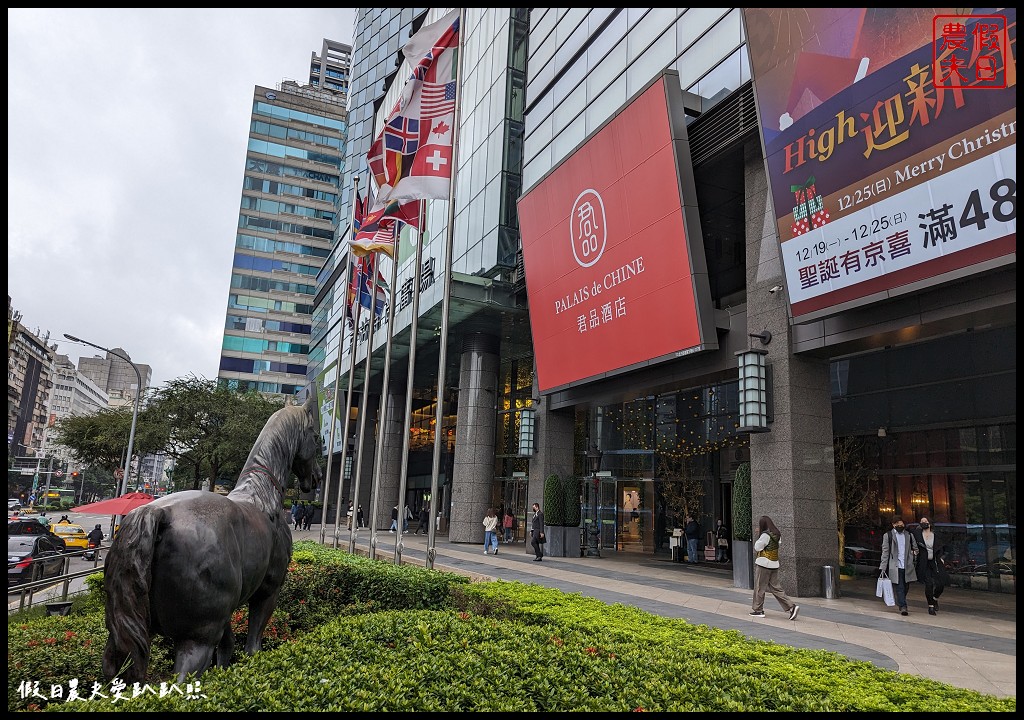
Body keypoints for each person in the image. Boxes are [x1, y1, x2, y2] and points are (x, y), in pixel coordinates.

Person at [750, 515, 799, 620]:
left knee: (759, 587)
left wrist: (758, 536)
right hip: (774, 563)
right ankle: (791, 606)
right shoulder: (777, 534)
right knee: (776, 588)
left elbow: (757, 547)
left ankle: (758, 610)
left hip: (763, 564)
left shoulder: (765, 535)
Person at [879, 515, 918, 616]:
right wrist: (883, 567)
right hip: (895, 566)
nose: (900, 526)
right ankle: (903, 606)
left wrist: (913, 553)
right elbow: (885, 552)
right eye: (898, 524)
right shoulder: (888, 536)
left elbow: (915, 548)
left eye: (902, 524)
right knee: (899, 586)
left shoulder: (909, 535)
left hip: (907, 565)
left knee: (906, 586)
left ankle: (900, 600)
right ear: (893, 525)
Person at [912, 516, 945, 616]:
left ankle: (935, 598)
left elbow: (943, 548)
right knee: (929, 584)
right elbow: (912, 544)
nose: (923, 523)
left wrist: (942, 557)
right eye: (921, 521)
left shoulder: (936, 535)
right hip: (924, 562)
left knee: (941, 583)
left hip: (935, 561)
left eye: (925, 521)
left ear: (929, 523)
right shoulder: (917, 535)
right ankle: (930, 606)